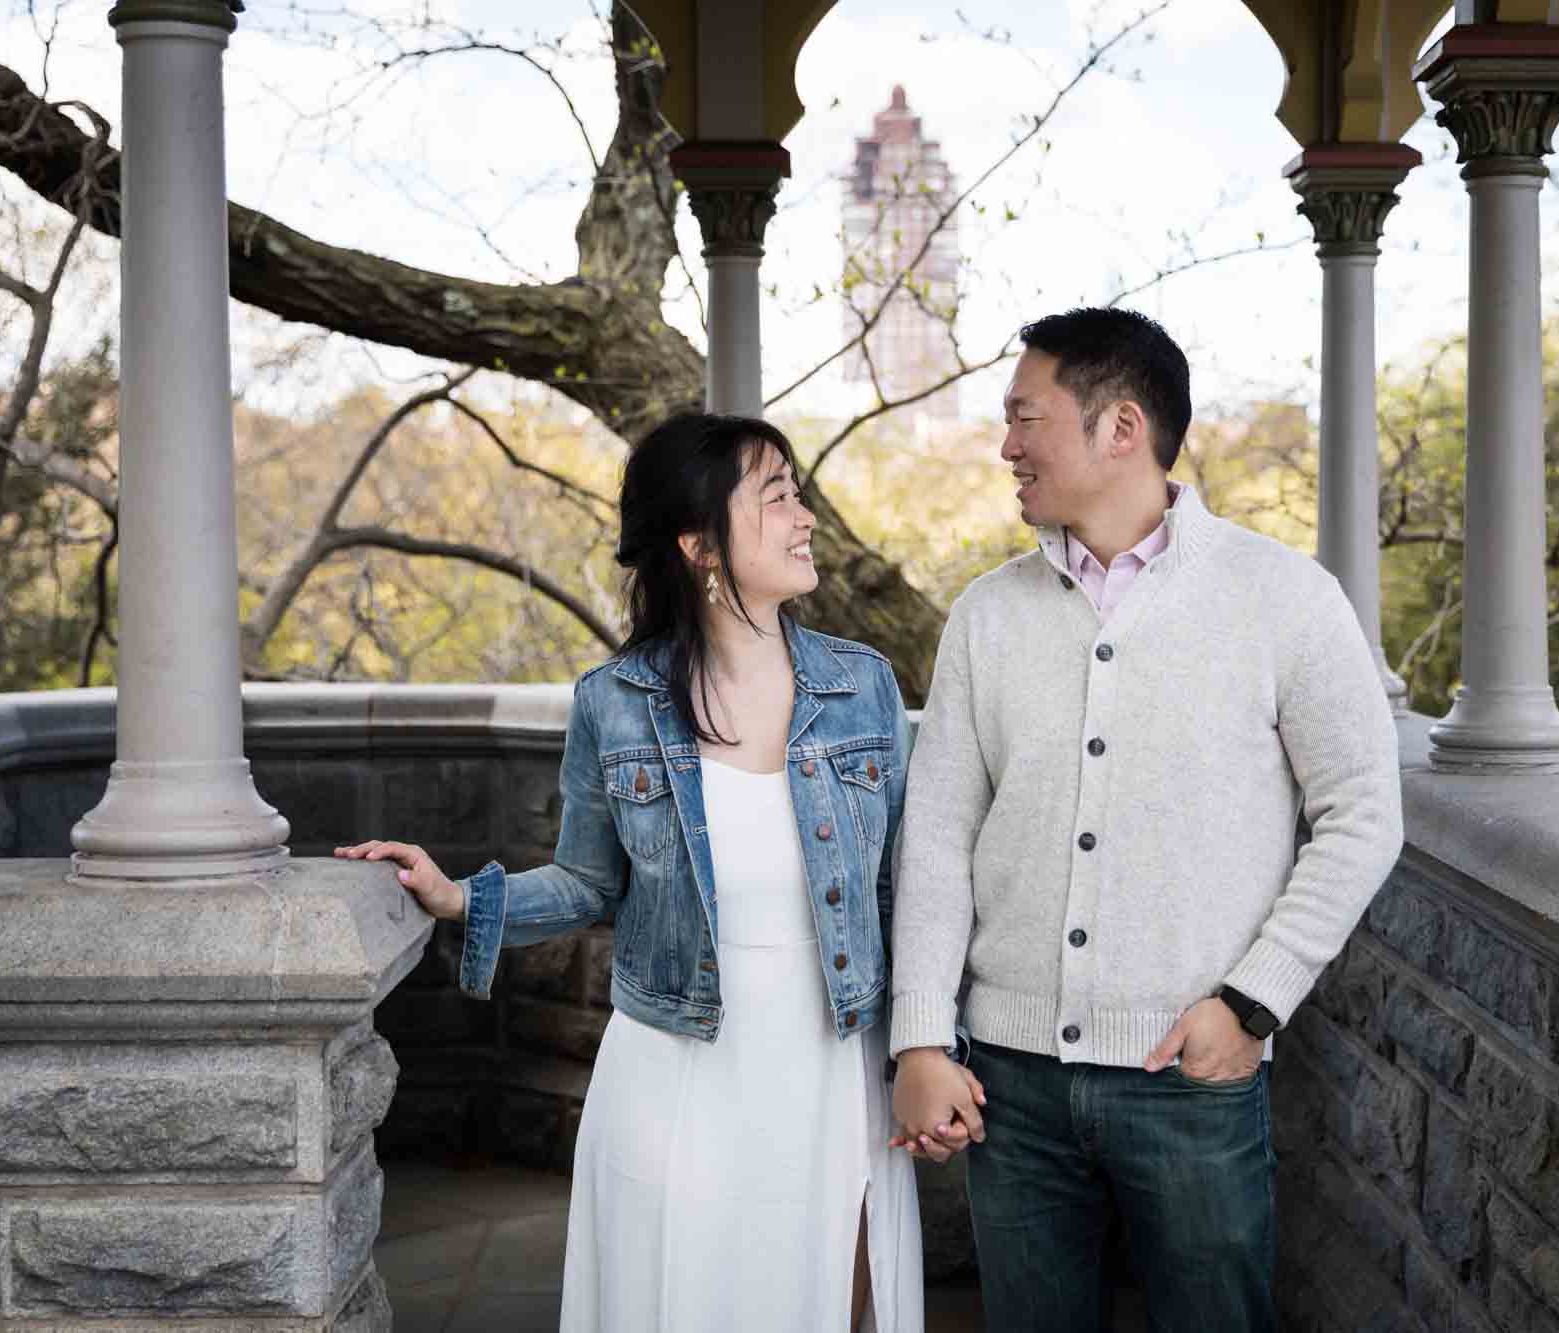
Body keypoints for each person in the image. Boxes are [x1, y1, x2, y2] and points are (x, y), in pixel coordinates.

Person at [338, 412, 952, 1333]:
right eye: (776, 496)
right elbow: (589, 884)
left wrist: (928, 1048)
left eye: (799, 493)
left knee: (839, 1300)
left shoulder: (861, 686)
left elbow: (908, 892)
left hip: (832, 1073)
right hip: (677, 1072)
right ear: (699, 542)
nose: (805, 516)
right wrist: (461, 897)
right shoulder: (614, 703)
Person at [887, 308, 1405, 1331]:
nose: (1005, 447)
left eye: (1024, 418)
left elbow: (1361, 816)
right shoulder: (987, 614)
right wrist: (918, 1037)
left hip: (1190, 1074)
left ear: (1119, 427)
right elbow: (939, 834)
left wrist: (1252, 1004)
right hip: (1009, 1084)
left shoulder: (1285, 599)